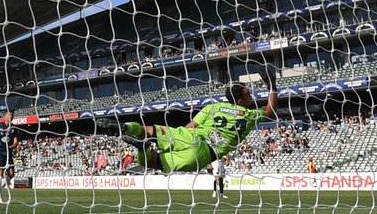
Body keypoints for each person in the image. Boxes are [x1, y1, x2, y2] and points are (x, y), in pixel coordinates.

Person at [114, 67, 276, 173]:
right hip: (204, 155)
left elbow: (191, 126)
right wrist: (272, 85)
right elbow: (270, 109)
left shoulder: (214, 107)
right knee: (154, 163)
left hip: (190, 136)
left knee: (149, 130)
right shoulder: (249, 115)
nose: (251, 96)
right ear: (240, 101)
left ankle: (126, 127)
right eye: (249, 94)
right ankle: (142, 148)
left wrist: (179, 138)